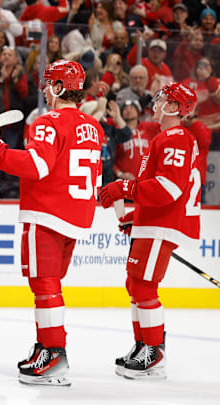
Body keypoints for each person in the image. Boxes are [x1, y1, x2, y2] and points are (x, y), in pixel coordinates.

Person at [0, 60, 103, 386]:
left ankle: (54, 353)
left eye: (47, 83)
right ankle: (46, 345)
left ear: (58, 88)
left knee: (44, 286)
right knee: (50, 283)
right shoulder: (93, 126)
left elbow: (37, 166)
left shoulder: (48, 121)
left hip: (47, 212)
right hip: (78, 214)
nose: (44, 89)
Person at [99, 82, 201, 380]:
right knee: (135, 284)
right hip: (152, 221)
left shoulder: (176, 138)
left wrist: (124, 187)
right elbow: (157, 189)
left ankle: (153, 352)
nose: (156, 103)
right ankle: (144, 344)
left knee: (144, 285)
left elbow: (168, 189)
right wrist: (134, 215)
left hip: (164, 223)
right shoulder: (165, 138)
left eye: (163, 100)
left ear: (174, 108)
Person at [114, 100, 160, 180]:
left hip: (148, 178)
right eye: (125, 109)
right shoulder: (116, 131)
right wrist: (120, 173)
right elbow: (109, 158)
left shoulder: (150, 127)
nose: (128, 110)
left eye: (131, 108)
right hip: (124, 181)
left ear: (138, 112)